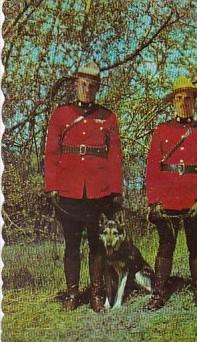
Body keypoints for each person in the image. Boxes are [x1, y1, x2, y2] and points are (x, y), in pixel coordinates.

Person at [44, 61, 123, 313]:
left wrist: (116, 190)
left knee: (96, 244)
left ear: (97, 88)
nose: (87, 89)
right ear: (76, 84)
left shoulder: (107, 117)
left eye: (92, 86)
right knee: (71, 244)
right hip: (69, 190)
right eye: (83, 84)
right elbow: (51, 152)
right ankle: (72, 294)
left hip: (98, 191)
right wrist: (52, 186)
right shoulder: (61, 115)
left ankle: (97, 295)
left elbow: (114, 155)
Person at [145, 76, 197, 310]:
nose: (183, 103)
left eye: (188, 98)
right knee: (166, 245)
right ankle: (159, 292)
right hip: (167, 198)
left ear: (194, 102)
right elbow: (152, 168)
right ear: (173, 103)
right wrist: (154, 201)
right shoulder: (162, 130)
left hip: (193, 199)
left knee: (195, 245)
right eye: (179, 99)